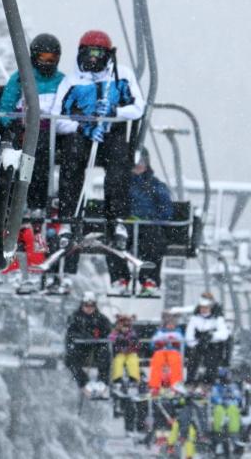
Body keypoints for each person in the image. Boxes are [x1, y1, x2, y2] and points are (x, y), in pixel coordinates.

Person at [50, 30, 145, 283]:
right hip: (80, 135)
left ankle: (116, 220)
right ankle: (69, 219)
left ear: (107, 55)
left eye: (98, 55)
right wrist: (81, 125)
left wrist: (115, 111)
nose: (92, 60)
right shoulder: (71, 82)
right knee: (72, 161)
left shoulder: (121, 76)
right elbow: (57, 119)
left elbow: (138, 107)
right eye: (88, 54)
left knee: (118, 166)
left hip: (110, 133)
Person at [0, 32, 65, 212]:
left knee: (41, 153)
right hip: (24, 129)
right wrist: (10, 126)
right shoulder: (22, 77)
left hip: (51, 133)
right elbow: (6, 108)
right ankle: (12, 204)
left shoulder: (61, 81)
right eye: (43, 58)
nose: (47, 63)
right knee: (23, 155)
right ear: (35, 57)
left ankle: (38, 204)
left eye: (52, 59)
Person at [108, 147, 174, 295]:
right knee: (114, 240)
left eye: (142, 161)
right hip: (126, 226)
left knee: (153, 242)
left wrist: (152, 219)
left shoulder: (156, 186)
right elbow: (112, 205)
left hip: (148, 226)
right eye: (135, 161)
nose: (138, 165)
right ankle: (120, 278)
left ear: (147, 163)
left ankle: (148, 279)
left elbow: (166, 210)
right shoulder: (121, 184)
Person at [64, 291, 112, 397]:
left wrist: (100, 337)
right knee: (70, 359)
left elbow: (108, 330)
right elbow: (70, 334)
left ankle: (103, 382)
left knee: (105, 354)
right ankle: (84, 383)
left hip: (96, 349)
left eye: (92, 305)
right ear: (82, 305)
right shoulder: (75, 318)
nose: (89, 308)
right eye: (86, 305)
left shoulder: (100, 318)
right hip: (80, 350)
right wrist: (82, 337)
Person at [185, 292, 230, 386]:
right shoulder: (195, 318)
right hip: (198, 345)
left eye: (206, 307)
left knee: (211, 360)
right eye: (202, 307)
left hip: (213, 346)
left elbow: (224, 333)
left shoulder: (217, 318)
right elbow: (189, 336)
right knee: (193, 359)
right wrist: (197, 343)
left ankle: (208, 383)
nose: (203, 310)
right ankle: (190, 382)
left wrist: (211, 336)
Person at [149, 311, 185, 395]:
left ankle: (175, 385)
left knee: (175, 361)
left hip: (173, 351)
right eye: (168, 324)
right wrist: (158, 344)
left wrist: (176, 343)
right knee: (157, 360)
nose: (170, 326)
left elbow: (184, 344)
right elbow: (152, 344)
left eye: (172, 324)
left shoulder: (178, 332)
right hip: (161, 351)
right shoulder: (159, 332)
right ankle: (155, 386)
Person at [210, 367, 244, 455]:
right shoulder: (217, 387)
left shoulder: (234, 386)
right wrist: (221, 401)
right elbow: (214, 397)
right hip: (220, 406)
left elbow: (238, 398)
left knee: (233, 410)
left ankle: (234, 436)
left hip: (231, 406)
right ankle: (218, 435)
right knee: (219, 410)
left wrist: (231, 401)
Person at [109, 313, 142, 397]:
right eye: (123, 327)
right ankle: (117, 379)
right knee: (117, 361)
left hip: (131, 353)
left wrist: (133, 344)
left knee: (133, 361)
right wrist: (116, 332)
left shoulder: (132, 334)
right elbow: (111, 338)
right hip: (120, 353)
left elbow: (137, 343)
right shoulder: (117, 333)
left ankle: (134, 379)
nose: (125, 329)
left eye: (126, 327)